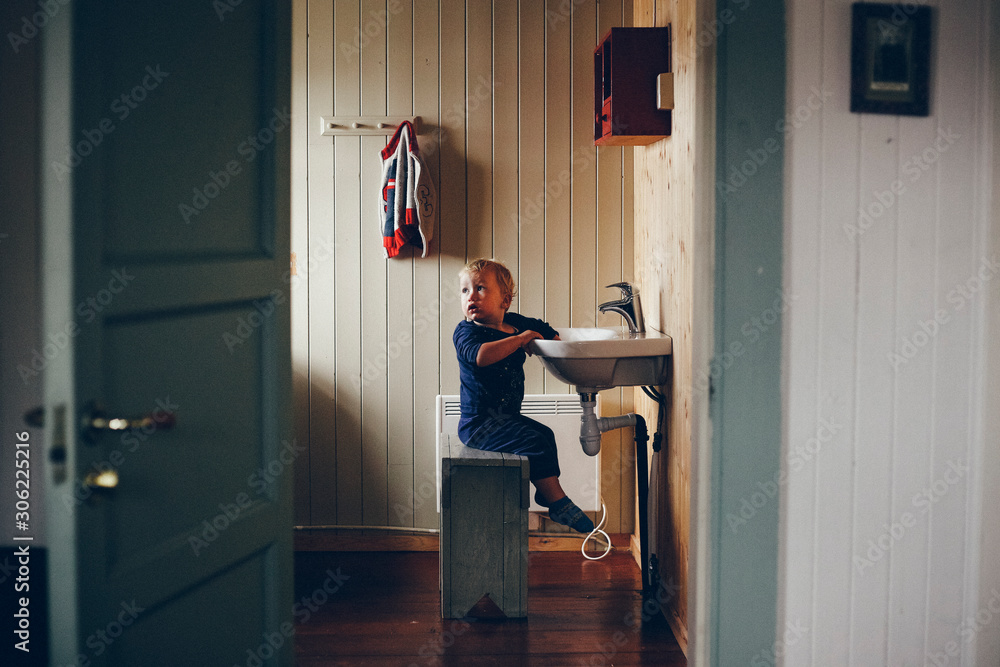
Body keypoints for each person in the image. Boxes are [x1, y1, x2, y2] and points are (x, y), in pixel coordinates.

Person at [453, 258, 594, 533]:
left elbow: (542, 328)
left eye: (481, 288)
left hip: (507, 418)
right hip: (479, 425)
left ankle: (546, 493)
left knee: (545, 435)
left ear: (505, 301)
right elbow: (481, 357)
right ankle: (558, 503)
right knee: (532, 441)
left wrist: (551, 342)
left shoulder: (515, 323)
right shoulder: (466, 332)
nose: (471, 296)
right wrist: (520, 340)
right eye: (465, 290)